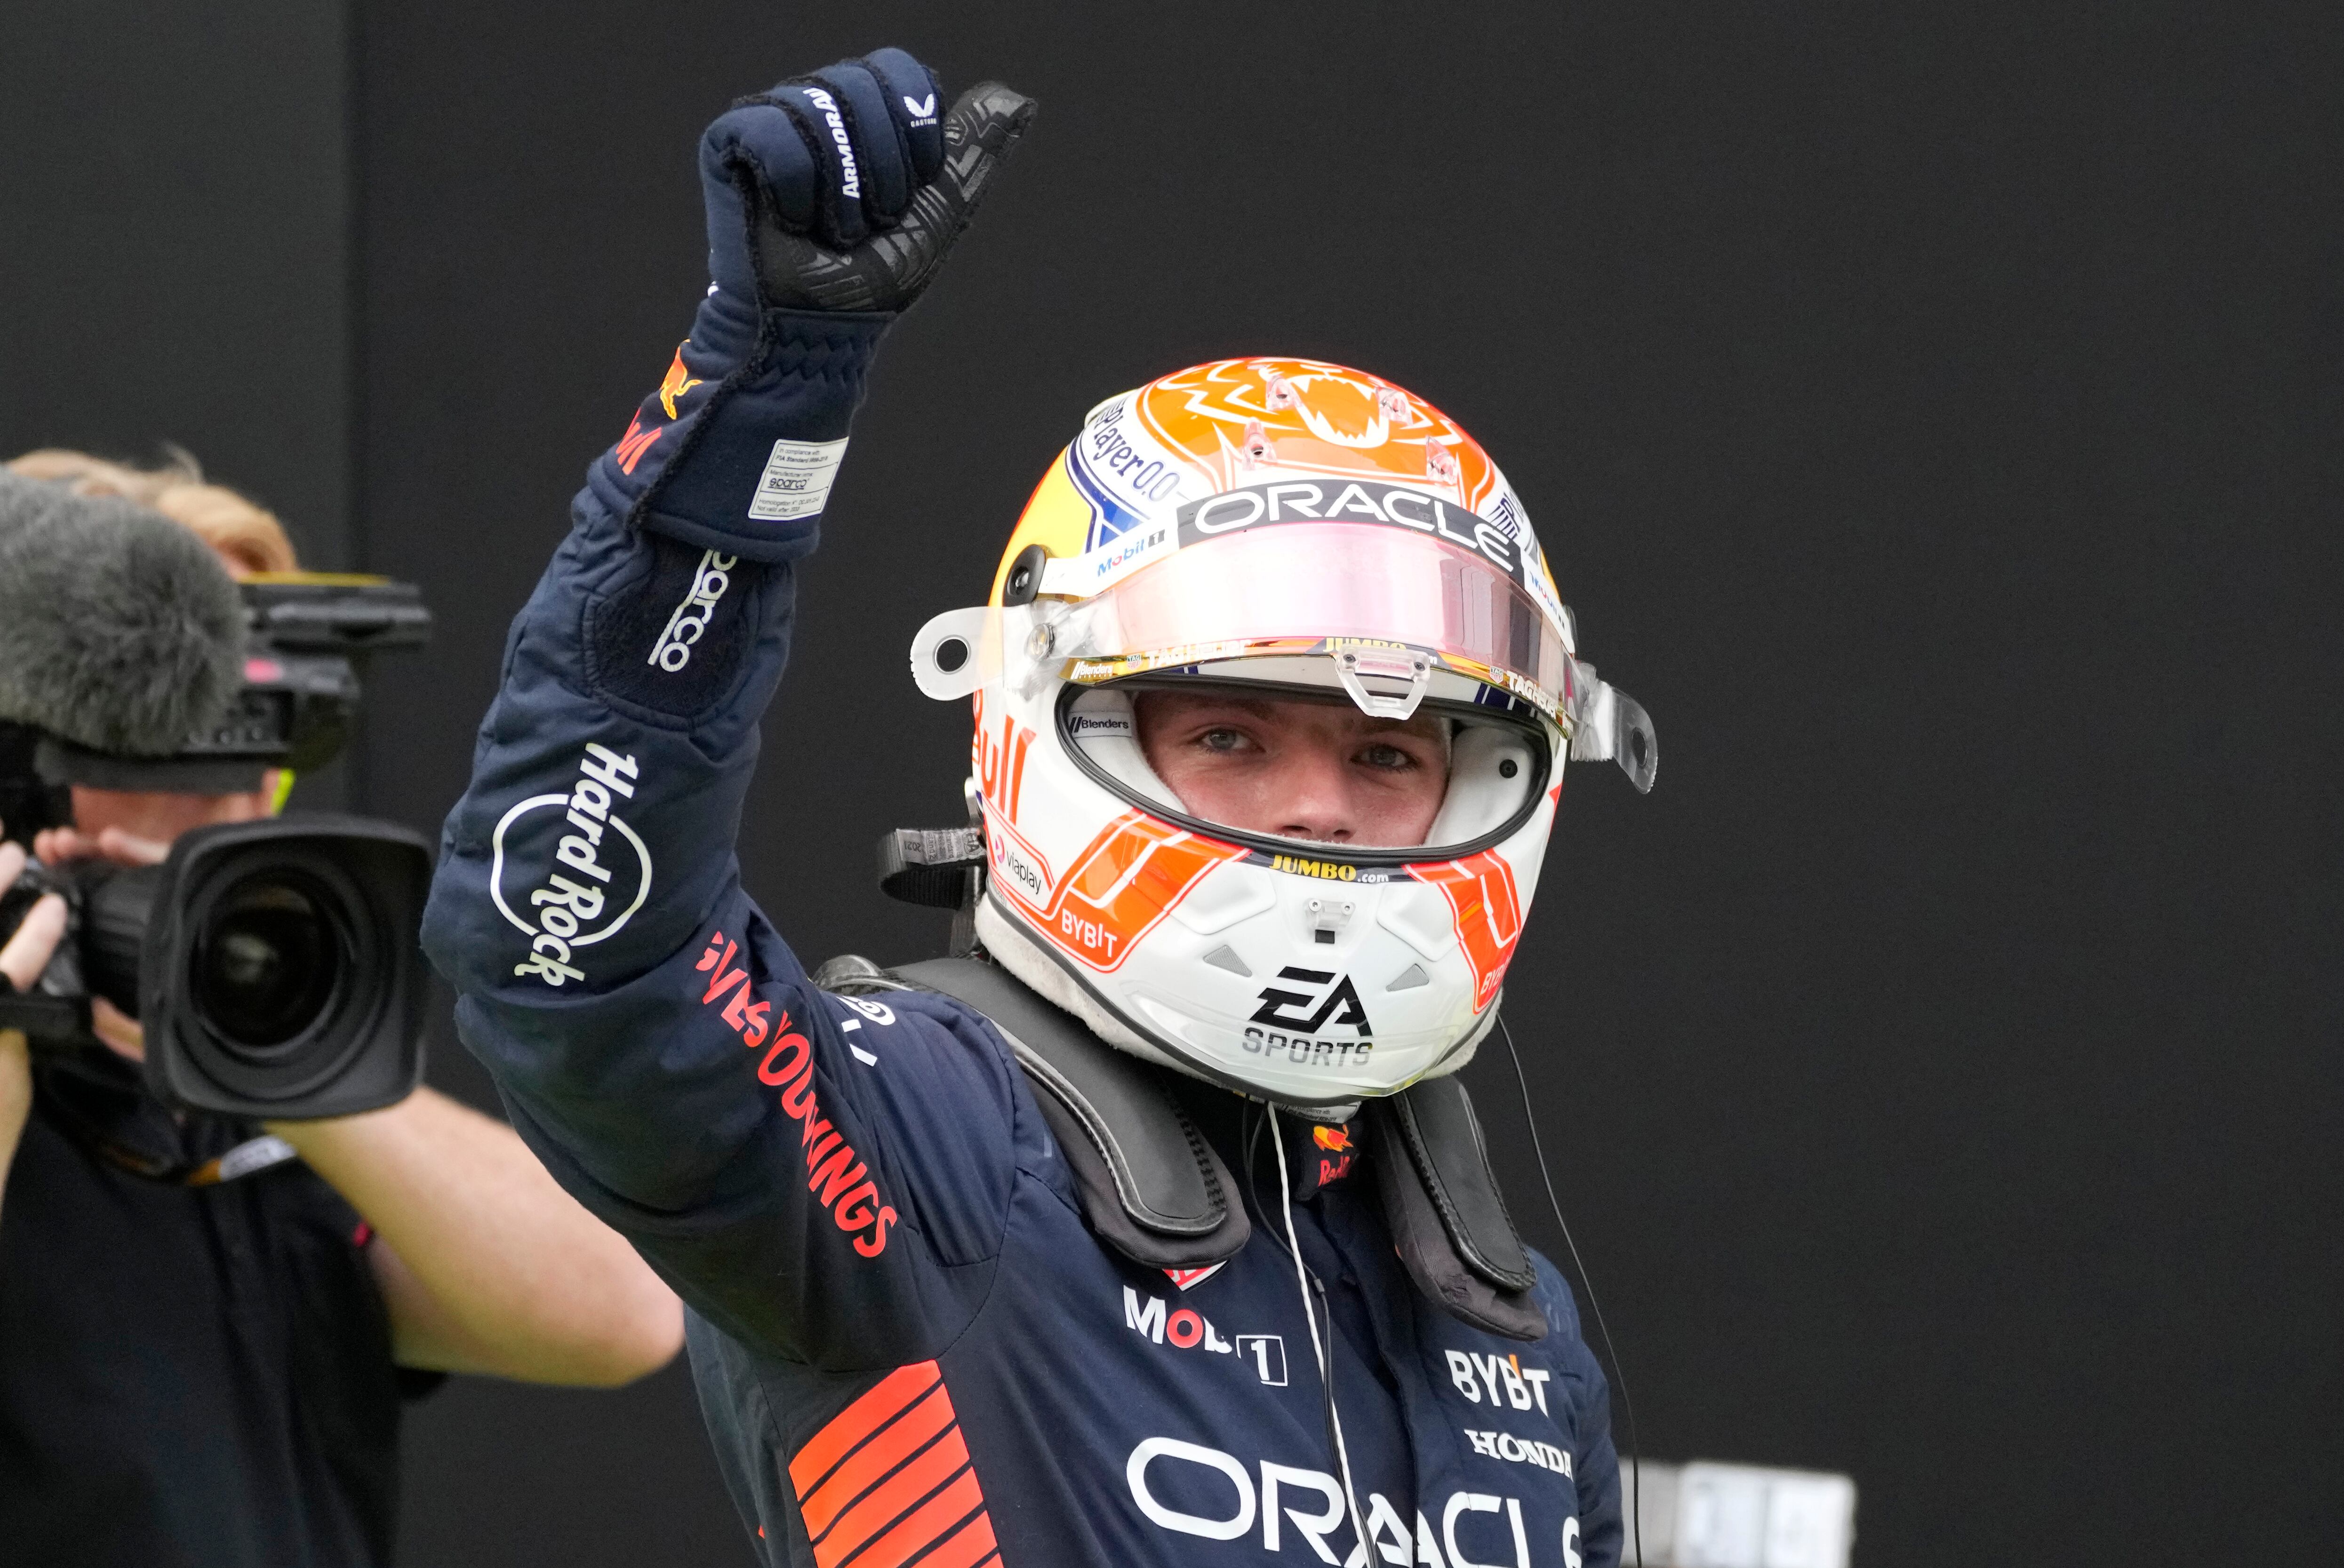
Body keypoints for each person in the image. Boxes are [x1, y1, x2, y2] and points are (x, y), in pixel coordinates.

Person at [422, 48, 1656, 1567]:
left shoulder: (1515, 1329)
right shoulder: (928, 1152)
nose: (1322, 808)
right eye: (1228, 732)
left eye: (1394, 757)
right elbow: (570, 957)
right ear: (1032, 734)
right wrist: (757, 412)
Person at [0, 450, 687, 1568]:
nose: (225, 794)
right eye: (159, 728)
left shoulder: (264, 1115)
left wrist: (272, 1051)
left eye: (260, 726)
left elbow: (624, 1316)